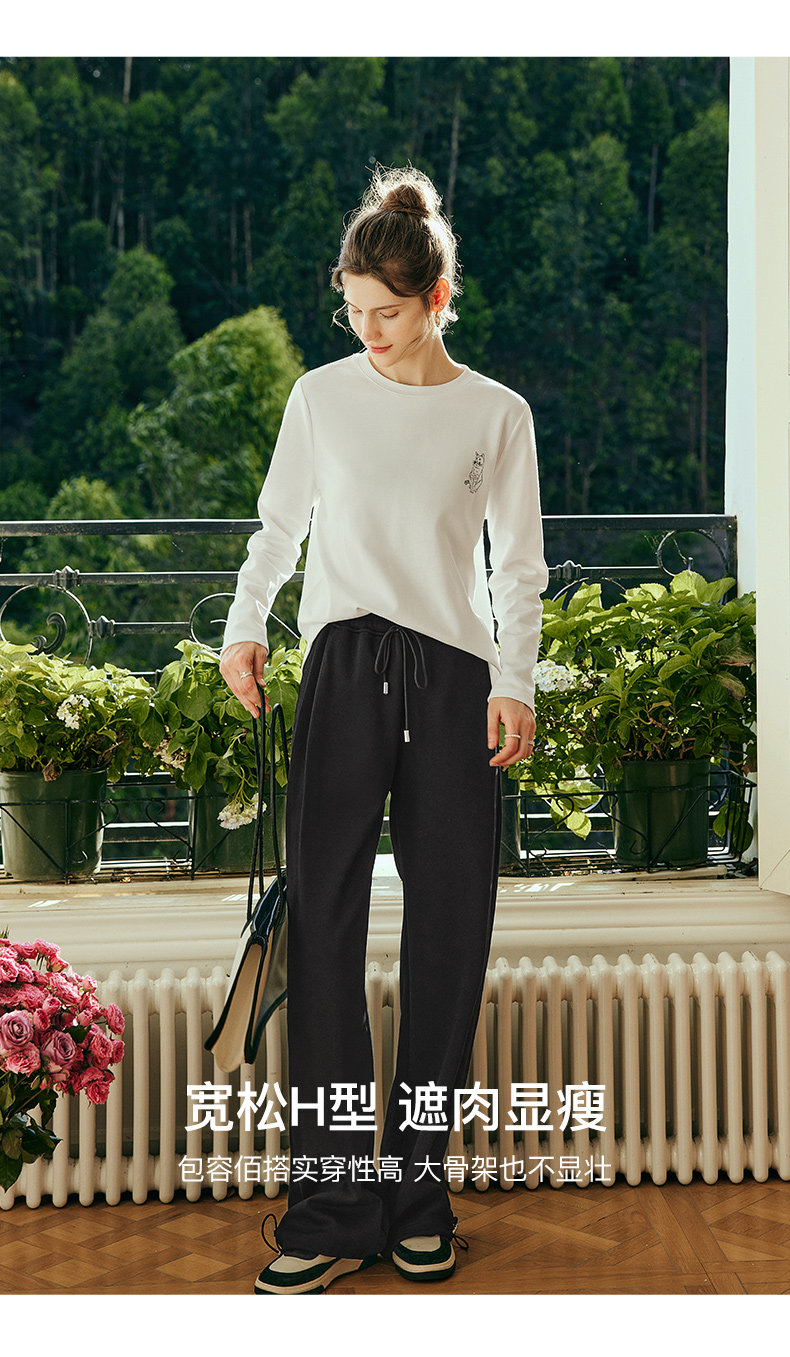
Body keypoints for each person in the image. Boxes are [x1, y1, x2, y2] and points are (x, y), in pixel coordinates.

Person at [219, 165, 549, 1295]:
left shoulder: (497, 414)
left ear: (437, 299)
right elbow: (278, 525)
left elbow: (518, 564)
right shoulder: (321, 397)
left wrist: (516, 682)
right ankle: (328, 1205)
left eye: (390, 313)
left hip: (454, 682)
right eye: (354, 310)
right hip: (343, 668)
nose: (369, 332)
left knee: (450, 926)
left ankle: (418, 1196)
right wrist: (244, 626)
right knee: (323, 925)